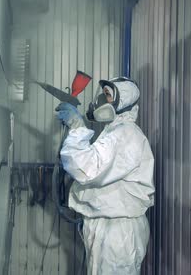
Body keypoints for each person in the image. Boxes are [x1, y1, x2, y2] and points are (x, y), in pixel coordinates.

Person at [55, 77, 155, 275]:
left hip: (118, 233)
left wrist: (77, 127)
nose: (102, 99)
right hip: (109, 226)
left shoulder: (126, 135)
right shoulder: (114, 132)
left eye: (108, 95)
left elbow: (86, 167)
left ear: (122, 102)